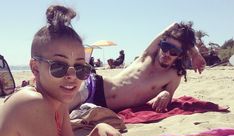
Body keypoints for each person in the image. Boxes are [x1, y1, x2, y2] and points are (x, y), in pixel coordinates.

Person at [0, 5, 150, 136]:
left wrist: (97, 132)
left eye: (81, 68)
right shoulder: (32, 104)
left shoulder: (57, 102)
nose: (72, 76)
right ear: (35, 68)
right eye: (58, 67)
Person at [70, 22, 206, 113]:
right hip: (93, 87)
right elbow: (174, 25)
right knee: (56, 111)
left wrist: (166, 94)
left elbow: (168, 97)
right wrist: (195, 52)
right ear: (160, 45)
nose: (167, 54)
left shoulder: (173, 75)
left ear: (180, 55)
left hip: (102, 108)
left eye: (174, 52)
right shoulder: (147, 56)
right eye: (165, 47)